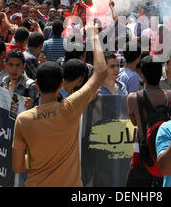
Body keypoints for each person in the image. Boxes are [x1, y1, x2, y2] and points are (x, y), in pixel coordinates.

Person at [12, 24, 107, 186]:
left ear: (37, 85)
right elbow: (101, 72)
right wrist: (94, 36)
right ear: (61, 83)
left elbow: (18, 166)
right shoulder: (70, 107)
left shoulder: (23, 119)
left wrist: (37, 157)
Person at [126, 55, 171, 187]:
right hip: (166, 153)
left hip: (142, 154)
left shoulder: (133, 98)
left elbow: (134, 123)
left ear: (142, 76)